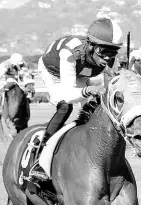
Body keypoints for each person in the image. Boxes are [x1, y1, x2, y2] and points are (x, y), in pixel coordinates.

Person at [29, 17, 124, 181]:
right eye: (104, 51)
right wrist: (89, 89)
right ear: (91, 45)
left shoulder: (107, 57)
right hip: (54, 71)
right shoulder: (70, 53)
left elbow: (115, 83)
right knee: (65, 106)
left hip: (80, 72)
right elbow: (68, 94)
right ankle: (39, 157)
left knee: (93, 108)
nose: (108, 57)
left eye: (113, 52)